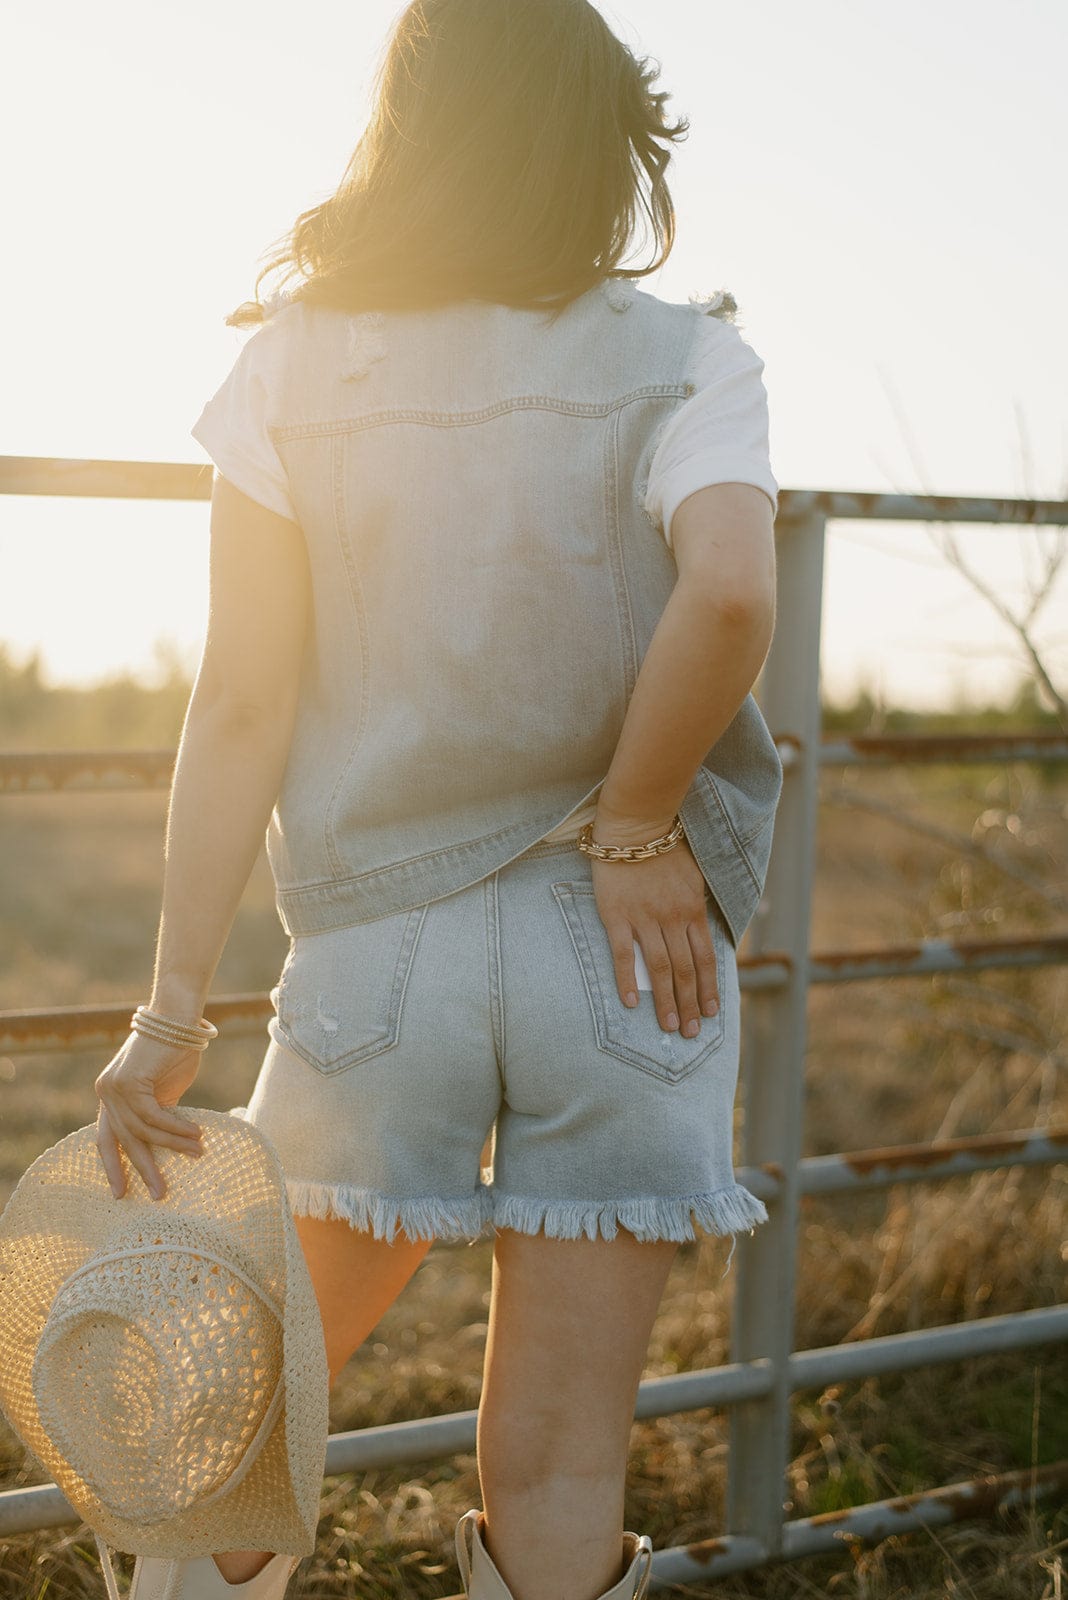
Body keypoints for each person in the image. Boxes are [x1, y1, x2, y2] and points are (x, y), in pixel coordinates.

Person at [91, 1, 782, 1596]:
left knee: (249, 1419)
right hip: (629, 947)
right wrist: (633, 823)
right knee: (558, 1460)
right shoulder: (691, 355)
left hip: (375, 957)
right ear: (602, 141)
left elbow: (245, 701)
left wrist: (174, 1001)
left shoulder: (292, 371)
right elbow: (733, 599)